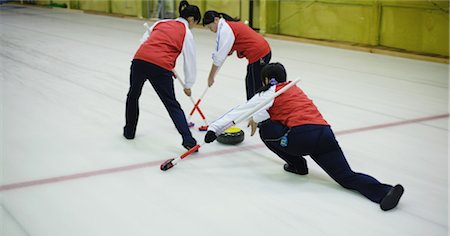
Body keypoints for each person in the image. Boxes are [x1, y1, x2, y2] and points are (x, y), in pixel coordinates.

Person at [204, 63, 404, 211]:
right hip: (325, 134)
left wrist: (214, 129)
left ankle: (297, 165)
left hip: (301, 137)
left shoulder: (268, 93)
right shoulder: (294, 88)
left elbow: (241, 112)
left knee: (267, 130)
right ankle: (384, 192)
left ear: (266, 80)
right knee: (345, 176)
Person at [123, 1, 200, 150]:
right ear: (191, 19)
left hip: (139, 60)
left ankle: (129, 132)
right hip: (160, 67)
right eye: (195, 23)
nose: (193, 26)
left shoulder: (162, 23)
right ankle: (188, 140)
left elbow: (144, 40)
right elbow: (189, 61)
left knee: (133, 95)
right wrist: (188, 85)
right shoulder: (186, 33)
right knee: (172, 104)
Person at [202, 10, 272, 100]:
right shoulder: (226, 25)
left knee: (255, 85)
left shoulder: (225, 29)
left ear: (216, 20)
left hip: (259, 53)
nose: (211, 30)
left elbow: (219, 58)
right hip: (260, 53)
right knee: (250, 82)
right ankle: (252, 106)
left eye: (210, 27)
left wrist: (211, 77)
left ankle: (257, 109)